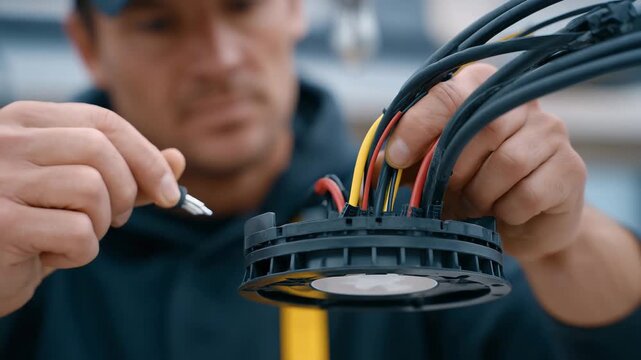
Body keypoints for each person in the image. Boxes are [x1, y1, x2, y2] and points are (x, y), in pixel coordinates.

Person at [0, 0, 639, 359]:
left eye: (241, 5)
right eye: (158, 21)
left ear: (293, 9)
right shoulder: (29, 241)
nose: (220, 60)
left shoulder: (432, 207)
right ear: (85, 42)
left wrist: (563, 238)